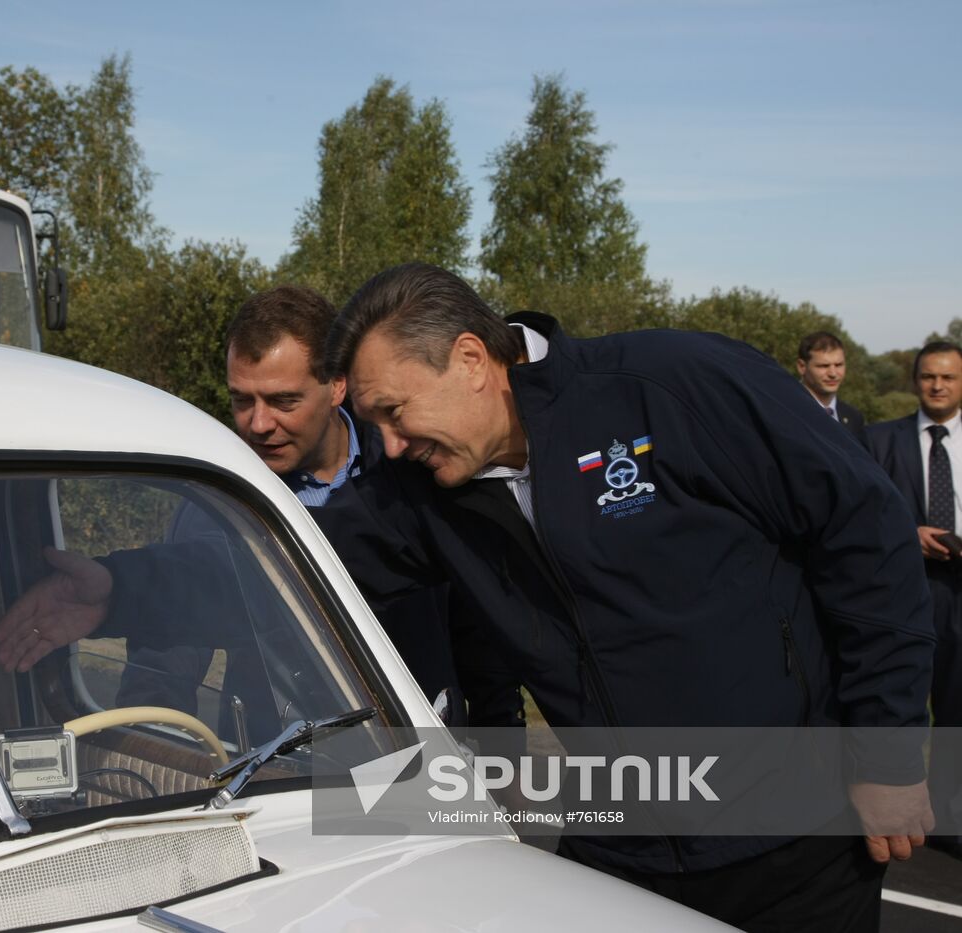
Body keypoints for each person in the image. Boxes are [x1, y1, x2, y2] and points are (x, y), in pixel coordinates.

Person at [305, 263, 934, 931]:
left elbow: (866, 529)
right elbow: (286, 560)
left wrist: (887, 751)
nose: (391, 446)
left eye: (394, 413)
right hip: (621, 858)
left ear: (470, 358)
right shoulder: (418, 491)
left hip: (798, 845)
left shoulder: (672, 383)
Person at [118, 285, 496, 722]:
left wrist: (499, 740)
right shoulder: (217, 503)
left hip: (421, 759)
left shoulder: (412, 469)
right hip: (282, 771)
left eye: (283, 401)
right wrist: (150, 748)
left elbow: (473, 625)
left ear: (337, 385)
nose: (258, 424)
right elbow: (168, 647)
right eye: (242, 399)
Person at [867, 340, 962, 860]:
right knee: (896, 704)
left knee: (956, 711)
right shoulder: (879, 441)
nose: (938, 385)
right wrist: (910, 531)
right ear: (915, 380)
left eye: (947, 376)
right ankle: (891, 810)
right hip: (905, 592)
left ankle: (948, 818)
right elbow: (861, 512)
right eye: (928, 376)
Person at [797, 331, 867, 444]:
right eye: (824, 366)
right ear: (802, 367)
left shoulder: (854, 417)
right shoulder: (786, 411)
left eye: (839, 365)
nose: (833, 373)